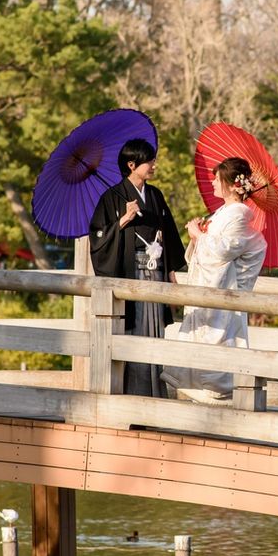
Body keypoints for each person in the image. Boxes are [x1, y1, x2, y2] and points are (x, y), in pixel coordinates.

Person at [89, 137, 187, 397]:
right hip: (131, 273)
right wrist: (123, 219)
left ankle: (156, 392)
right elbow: (97, 237)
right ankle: (135, 393)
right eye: (149, 161)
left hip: (157, 270)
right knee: (137, 329)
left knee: (156, 329)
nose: (154, 165)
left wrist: (171, 271)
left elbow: (170, 234)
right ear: (131, 165)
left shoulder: (155, 195)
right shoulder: (111, 197)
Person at [162, 156, 267, 399]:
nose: (213, 183)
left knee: (217, 343)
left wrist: (199, 235)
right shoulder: (223, 213)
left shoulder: (238, 215)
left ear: (232, 185)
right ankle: (199, 395)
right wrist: (197, 236)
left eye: (218, 179)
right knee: (200, 341)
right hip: (207, 285)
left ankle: (215, 397)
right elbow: (209, 250)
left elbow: (223, 252)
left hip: (222, 292)